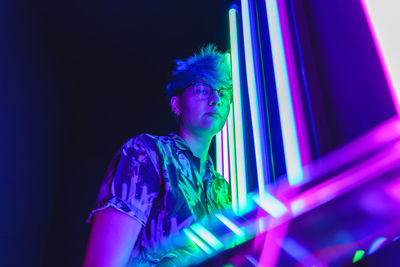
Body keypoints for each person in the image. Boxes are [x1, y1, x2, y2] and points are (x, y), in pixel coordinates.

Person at [83, 44, 232, 267]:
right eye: (202, 89)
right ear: (176, 104)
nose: (215, 99)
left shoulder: (222, 190)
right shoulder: (146, 153)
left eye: (223, 92)